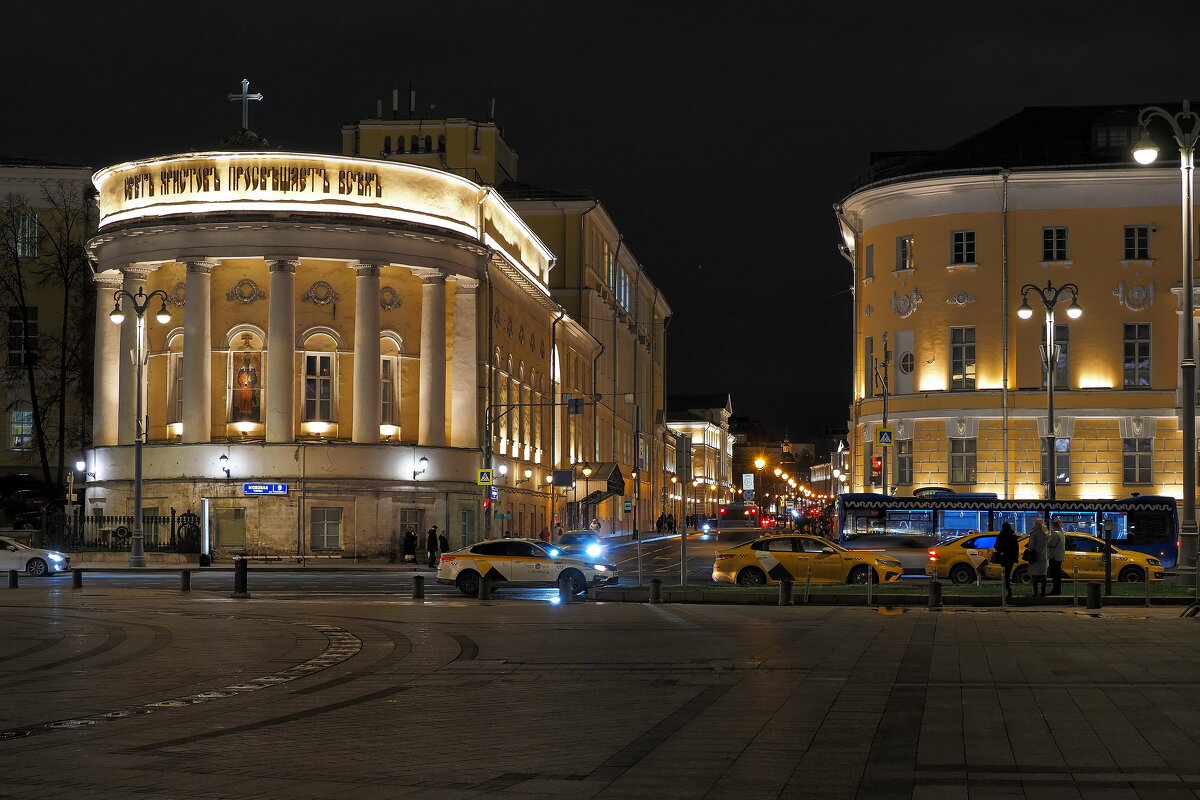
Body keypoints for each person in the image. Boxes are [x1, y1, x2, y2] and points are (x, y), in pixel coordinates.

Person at [993, 522, 1019, 602]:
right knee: (1007, 574)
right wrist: (1015, 557)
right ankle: (1008, 590)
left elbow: (996, 545)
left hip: (1003, 557)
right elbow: (1016, 547)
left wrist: (1001, 551)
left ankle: (1007, 590)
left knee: (1005, 575)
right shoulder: (1012, 534)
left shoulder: (1002, 534)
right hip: (1011, 558)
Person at [1027, 519, 1050, 599]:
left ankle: (1035, 592)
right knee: (1044, 575)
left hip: (1035, 556)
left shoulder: (1034, 533)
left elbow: (1031, 545)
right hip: (1044, 556)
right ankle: (1043, 592)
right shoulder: (1046, 532)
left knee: (1035, 576)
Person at [1047, 519, 1066, 596]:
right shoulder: (1061, 533)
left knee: (1055, 575)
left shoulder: (1055, 533)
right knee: (1057, 574)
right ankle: (1058, 590)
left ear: (1053, 525)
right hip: (1059, 556)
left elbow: (1051, 544)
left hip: (1054, 556)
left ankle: (1055, 590)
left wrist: (1047, 540)